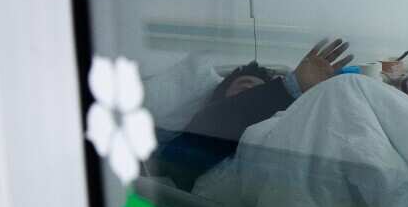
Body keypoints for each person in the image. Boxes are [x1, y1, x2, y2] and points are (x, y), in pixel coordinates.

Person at [150, 38, 354, 189]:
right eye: (241, 89)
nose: (248, 92)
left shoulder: (286, 121)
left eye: (255, 90)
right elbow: (183, 156)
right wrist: (287, 88)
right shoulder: (198, 129)